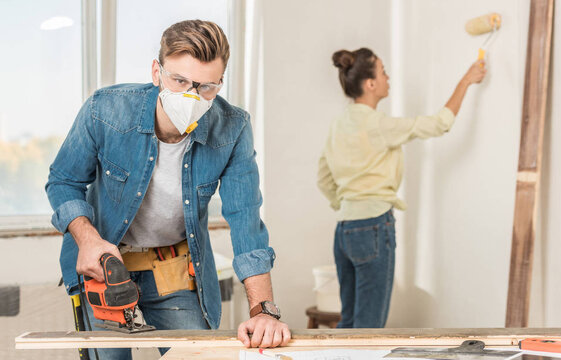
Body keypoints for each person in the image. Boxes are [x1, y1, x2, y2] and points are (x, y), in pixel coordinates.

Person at [46, 20, 290, 359]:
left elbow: (246, 220)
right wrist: (87, 240)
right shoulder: (106, 110)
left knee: (197, 357)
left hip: (173, 269)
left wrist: (263, 310)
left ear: (220, 82)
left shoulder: (232, 128)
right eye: (180, 81)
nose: (192, 96)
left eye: (206, 87)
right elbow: (63, 181)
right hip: (105, 271)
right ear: (156, 72)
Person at [317, 47, 486, 328]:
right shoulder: (379, 124)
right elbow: (439, 124)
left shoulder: (338, 124)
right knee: (369, 329)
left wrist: (347, 204)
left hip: (344, 229)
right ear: (370, 84)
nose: (388, 77)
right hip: (373, 226)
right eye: (383, 71)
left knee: (347, 324)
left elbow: (323, 178)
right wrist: (466, 80)